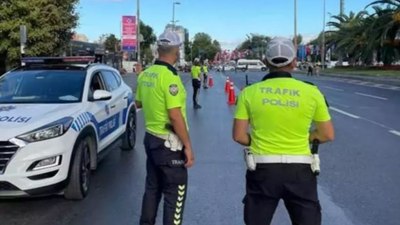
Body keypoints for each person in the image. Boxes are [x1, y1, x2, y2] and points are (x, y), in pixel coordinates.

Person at [232, 37, 334, 225]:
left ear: (266, 62)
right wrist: (305, 137)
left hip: (263, 170)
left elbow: (238, 136)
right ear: (294, 62)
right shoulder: (312, 92)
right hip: (301, 171)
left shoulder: (249, 92)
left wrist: (261, 139)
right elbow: (327, 134)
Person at [135, 30, 195, 225]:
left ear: (158, 50)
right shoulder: (170, 77)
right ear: (176, 50)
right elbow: (175, 116)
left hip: (151, 139)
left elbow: (139, 103)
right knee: (174, 195)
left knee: (152, 189)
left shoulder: (145, 74)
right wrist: (187, 146)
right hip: (169, 145)